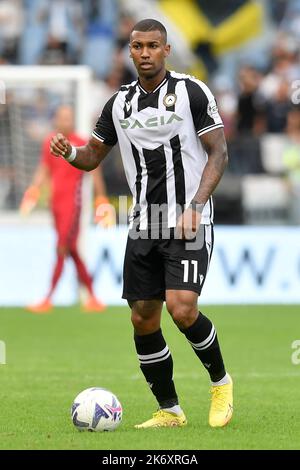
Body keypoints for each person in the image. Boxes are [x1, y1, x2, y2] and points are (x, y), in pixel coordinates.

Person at [49, 19, 233, 428]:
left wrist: (197, 205)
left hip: (187, 217)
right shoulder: (119, 104)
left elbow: (218, 153)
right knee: (143, 316)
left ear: (166, 50)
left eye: (153, 45)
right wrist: (70, 153)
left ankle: (221, 384)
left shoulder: (191, 92)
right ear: (129, 51)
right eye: (137, 46)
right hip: (143, 222)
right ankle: (170, 410)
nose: (145, 53)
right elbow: (93, 156)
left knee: (182, 309)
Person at [20, 104, 109, 313]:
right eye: (61, 117)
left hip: (73, 205)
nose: (65, 121)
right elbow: (44, 168)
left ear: (73, 120)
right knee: (72, 250)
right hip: (56, 205)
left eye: (68, 118)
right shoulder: (50, 143)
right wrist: (33, 190)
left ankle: (48, 298)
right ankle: (93, 298)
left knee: (61, 247)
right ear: (56, 120)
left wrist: (101, 198)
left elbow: (94, 172)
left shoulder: (81, 143)